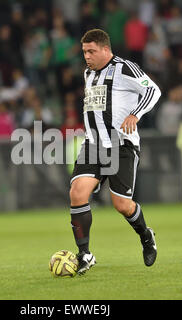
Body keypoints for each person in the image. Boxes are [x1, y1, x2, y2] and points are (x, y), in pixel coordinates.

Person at [69, 29, 161, 275]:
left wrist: (135, 114)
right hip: (93, 144)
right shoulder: (88, 73)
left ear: (105, 49)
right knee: (78, 193)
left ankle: (145, 235)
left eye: (91, 51)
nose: (86, 56)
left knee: (122, 205)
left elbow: (153, 90)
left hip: (121, 144)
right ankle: (84, 254)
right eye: (84, 52)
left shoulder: (124, 68)